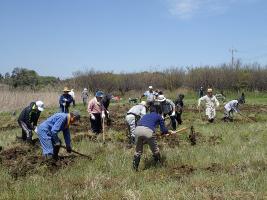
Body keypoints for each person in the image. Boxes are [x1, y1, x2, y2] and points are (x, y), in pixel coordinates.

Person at [132, 106, 175, 171]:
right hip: (148, 131)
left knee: (138, 151)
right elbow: (163, 130)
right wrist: (170, 131)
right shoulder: (158, 116)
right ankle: (159, 165)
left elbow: (144, 124)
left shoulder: (145, 116)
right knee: (155, 150)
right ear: (158, 111)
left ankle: (135, 169)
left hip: (137, 130)